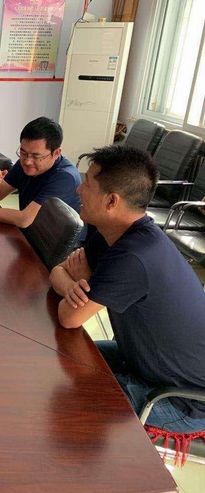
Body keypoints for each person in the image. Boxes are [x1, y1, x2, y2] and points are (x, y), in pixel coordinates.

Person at [50, 145, 205, 432]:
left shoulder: (133, 255)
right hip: (141, 359)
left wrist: (83, 282)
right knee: (58, 360)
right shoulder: (112, 233)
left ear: (112, 201)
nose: (79, 189)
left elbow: (69, 317)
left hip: (179, 397)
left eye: (87, 184)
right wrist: (78, 283)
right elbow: (58, 271)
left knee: (74, 404)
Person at [0, 117, 81, 229]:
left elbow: (24, 219)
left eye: (36, 156)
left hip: (56, 245)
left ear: (56, 153)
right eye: (23, 152)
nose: (27, 161)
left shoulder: (65, 178)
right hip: (31, 233)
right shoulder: (25, 164)